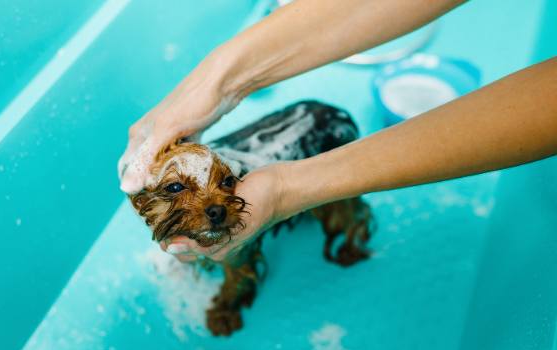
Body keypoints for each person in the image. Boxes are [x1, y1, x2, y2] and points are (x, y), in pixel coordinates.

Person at [118, 0, 557, 262]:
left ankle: (352, 234)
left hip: (326, 128)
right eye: (175, 188)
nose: (214, 206)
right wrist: (222, 77)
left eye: (225, 185)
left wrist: (290, 191)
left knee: (339, 212)